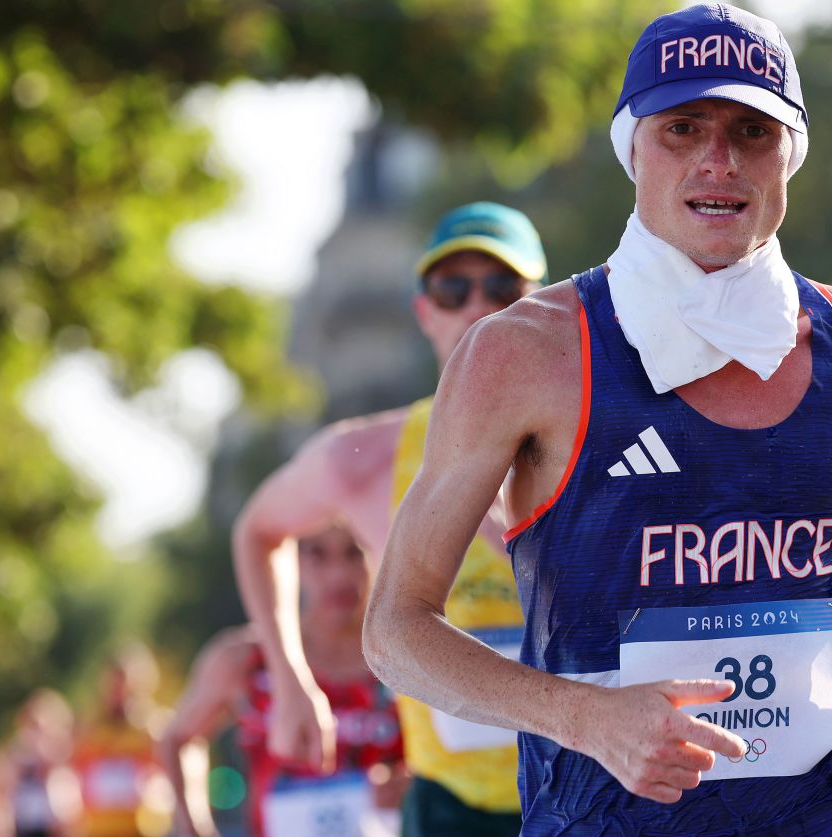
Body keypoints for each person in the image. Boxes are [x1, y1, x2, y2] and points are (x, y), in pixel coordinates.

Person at [363, 2, 832, 836]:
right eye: (682, 127)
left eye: (752, 131)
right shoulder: (524, 355)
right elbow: (396, 630)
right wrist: (588, 718)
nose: (718, 161)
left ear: (790, 152)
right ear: (632, 147)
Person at [231, 202, 545, 836]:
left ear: (542, 306)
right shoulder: (367, 460)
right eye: (452, 288)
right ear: (424, 312)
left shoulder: (611, 444)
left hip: (590, 785)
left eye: (502, 287)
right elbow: (258, 531)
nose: (477, 306)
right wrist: (291, 681)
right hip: (447, 806)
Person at [160, 525, 407, 837]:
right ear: (291, 562)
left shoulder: (408, 659)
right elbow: (178, 739)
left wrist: (417, 787)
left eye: (354, 553)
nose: (338, 573)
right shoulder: (247, 659)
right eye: (318, 554)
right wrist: (192, 824)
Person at [71, 643, 175, 837]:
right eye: (113, 684)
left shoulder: (153, 726)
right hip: (98, 829)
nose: (118, 692)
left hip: (143, 828)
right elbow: (76, 771)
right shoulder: (89, 727)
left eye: (125, 684)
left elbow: (167, 775)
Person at [0, 689, 81, 837]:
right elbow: (4, 791)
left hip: (51, 825)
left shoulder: (60, 757)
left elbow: (67, 811)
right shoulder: (16, 755)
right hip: (23, 825)